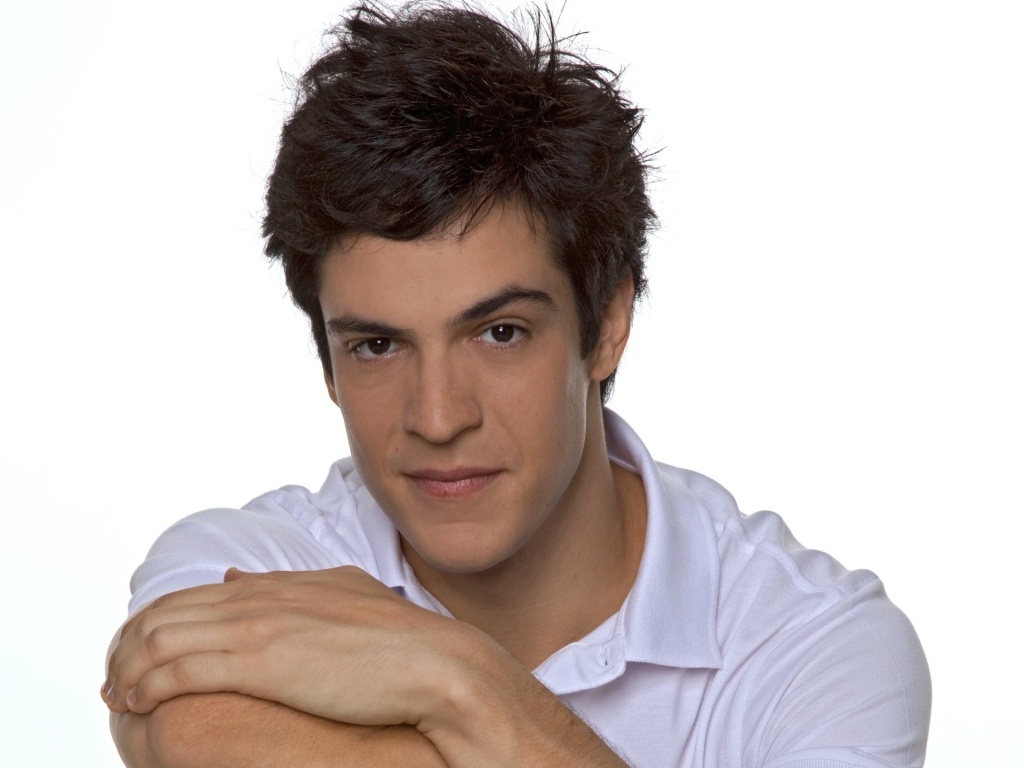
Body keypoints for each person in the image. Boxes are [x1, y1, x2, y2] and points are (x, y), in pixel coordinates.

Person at [101, 3, 931, 766]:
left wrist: (454, 676)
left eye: (499, 333)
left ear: (606, 326)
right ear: (326, 360)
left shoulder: (815, 649)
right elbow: (192, 730)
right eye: (378, 346)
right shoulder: (254, 565)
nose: (437, 418)